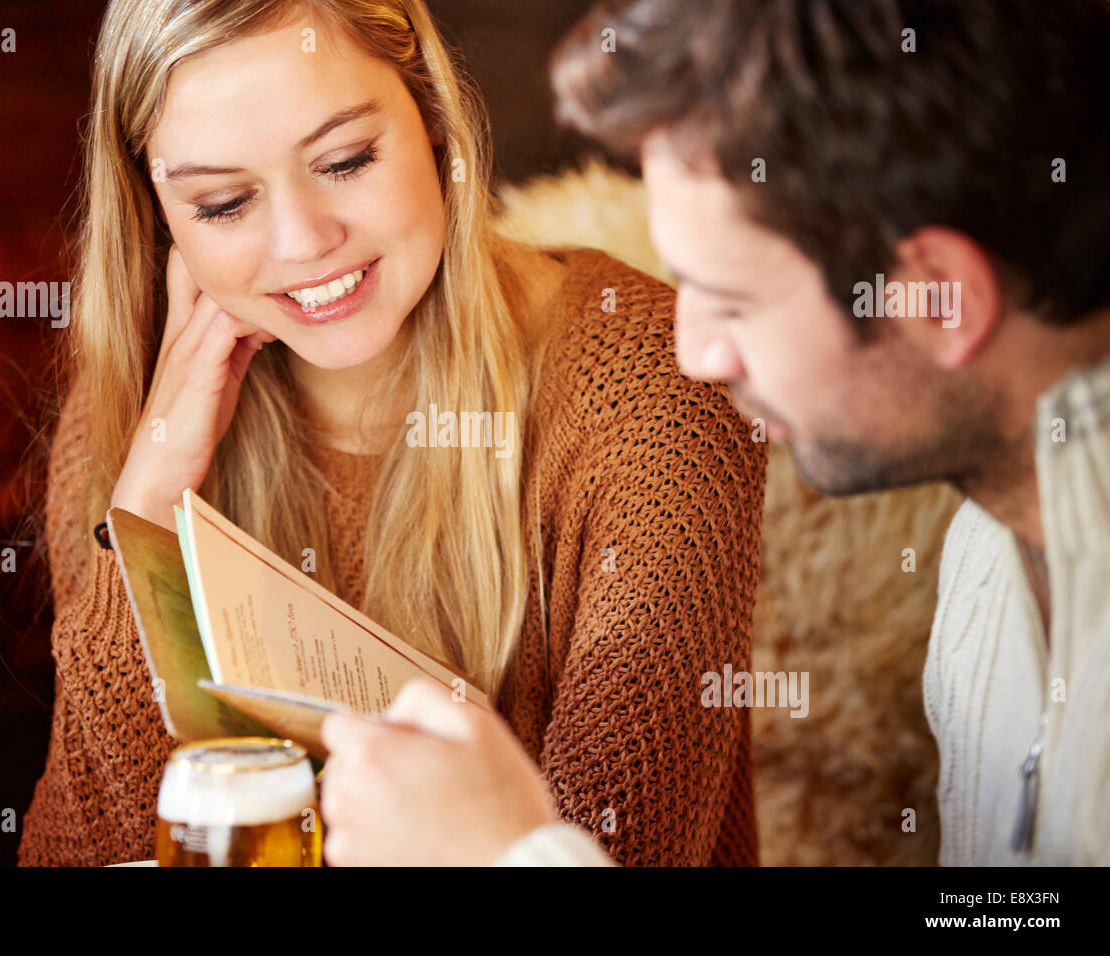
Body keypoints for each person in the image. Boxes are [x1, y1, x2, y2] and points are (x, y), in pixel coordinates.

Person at [320, 0, 1110, 866]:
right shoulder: (993, 539)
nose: (694, 354)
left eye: (732, 303)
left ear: (939, 298)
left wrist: (503, 856)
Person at [16, 0, 767, 867]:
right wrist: (147, 517)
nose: (304, 243)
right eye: (223, 203)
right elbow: (91, 854)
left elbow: (602, 856)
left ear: (434, 121)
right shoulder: (137, 412)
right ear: (157, 215)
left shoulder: (653, 392)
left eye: (345, 161)